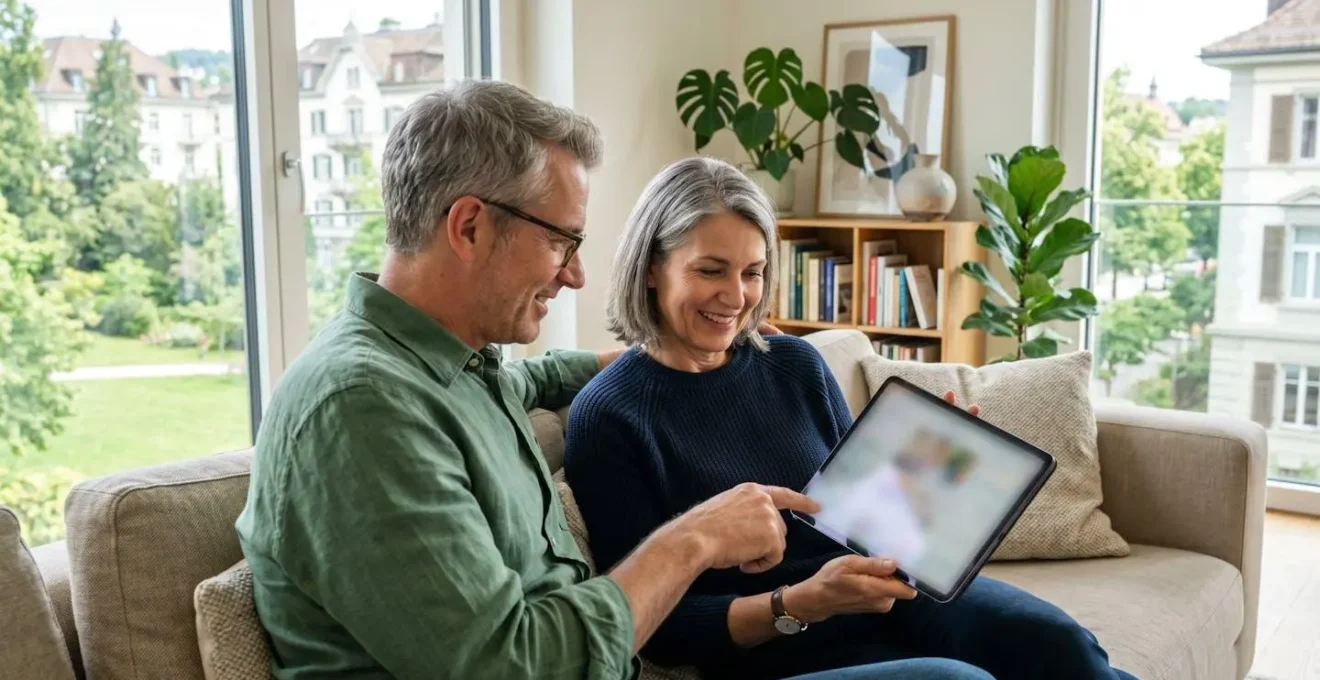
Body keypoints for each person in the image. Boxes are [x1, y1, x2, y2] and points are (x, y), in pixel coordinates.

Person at [234, 80, 992, 680]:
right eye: (561, 240)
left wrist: (650, 353)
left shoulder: (459, 364)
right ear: (468, 227)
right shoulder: (362, 409)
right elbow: (508, 665)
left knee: (1023, 636)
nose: (575, 274)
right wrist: (694, 540)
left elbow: (537, 378)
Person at [563, 156, 1140, 680]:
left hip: (884, 597)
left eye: (753, 272)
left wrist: (925, 464)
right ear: (652, 269)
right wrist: (797, 602)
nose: (736, 297)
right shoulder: (610, 416)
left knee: (1058, 642)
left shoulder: (794, 364)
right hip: (771, 647)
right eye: (711, 270)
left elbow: (861, 516)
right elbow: (655, 629)